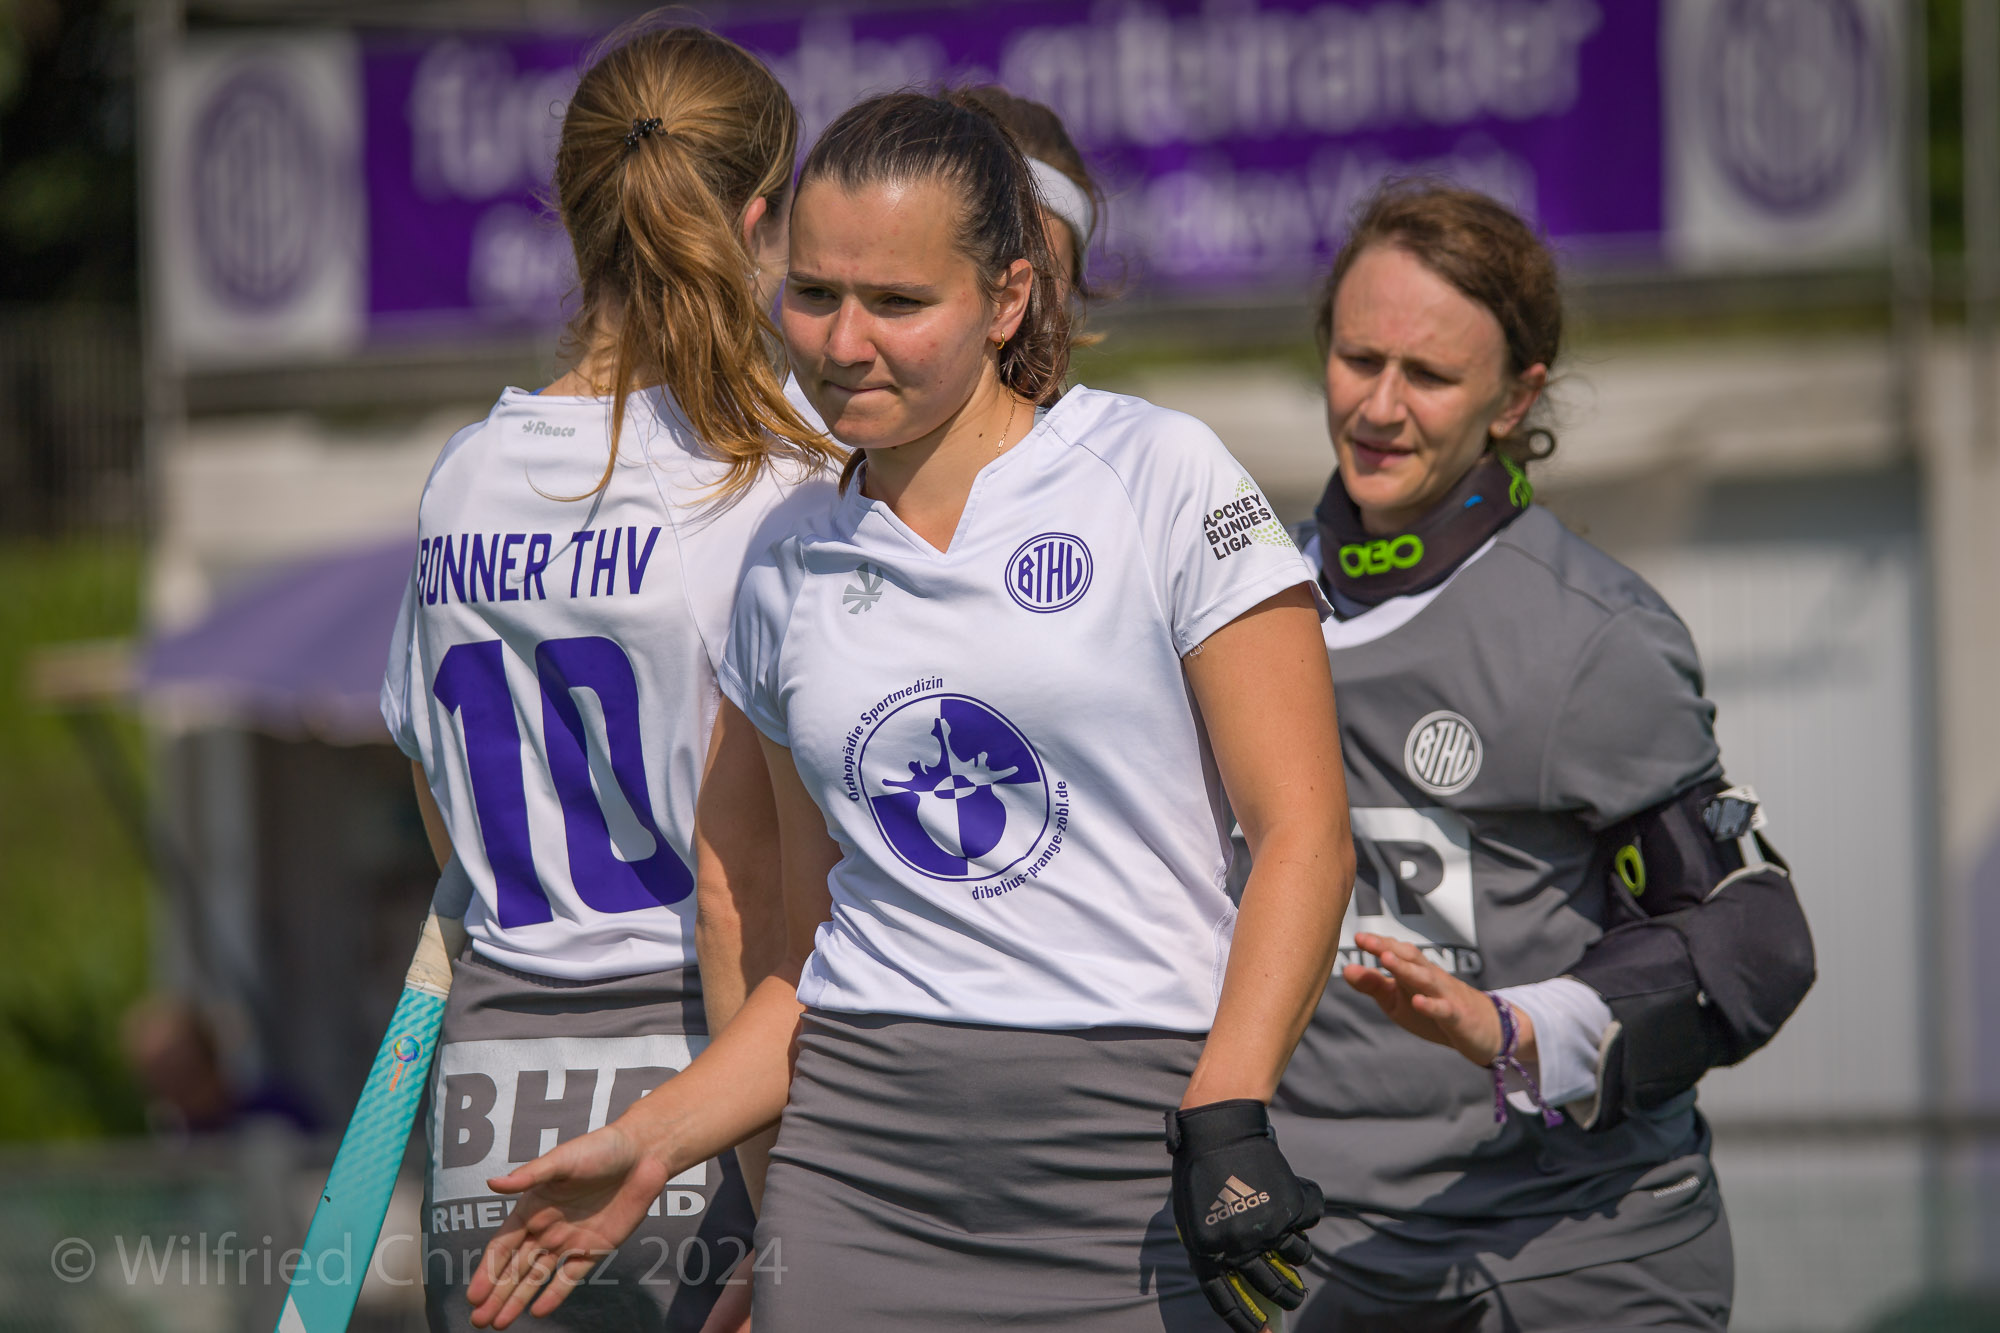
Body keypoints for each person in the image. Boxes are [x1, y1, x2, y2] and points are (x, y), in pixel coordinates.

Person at [462, 90, 1354, 1333]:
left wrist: (1229, 1107)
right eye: (813, 293)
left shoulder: (1162, 474)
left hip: (1134, 1160)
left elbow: (1305, 835)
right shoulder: (783, 555)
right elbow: (810, 952)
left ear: (1007, 297)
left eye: (896, 301)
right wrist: (652, 1140)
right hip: (856, 1175)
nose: (843, 341)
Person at [1262, 181, 1814, 1332]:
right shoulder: (1239, 602)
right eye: (1356, 359)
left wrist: (1518, 1027)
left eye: (1427, 375)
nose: (1377, 405)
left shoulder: (1590, 636)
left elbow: (1751, 934)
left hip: (1568, 1256)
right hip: (1311, 1251)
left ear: (1514, 398)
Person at [378, 20, 840, 1331]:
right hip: (702, 1089)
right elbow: (755, 882)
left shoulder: (463, 476)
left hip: (490, 1101)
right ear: (758, 220)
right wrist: (785, 1201)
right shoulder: (777, 485)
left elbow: (440, 813)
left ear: (573, 217)